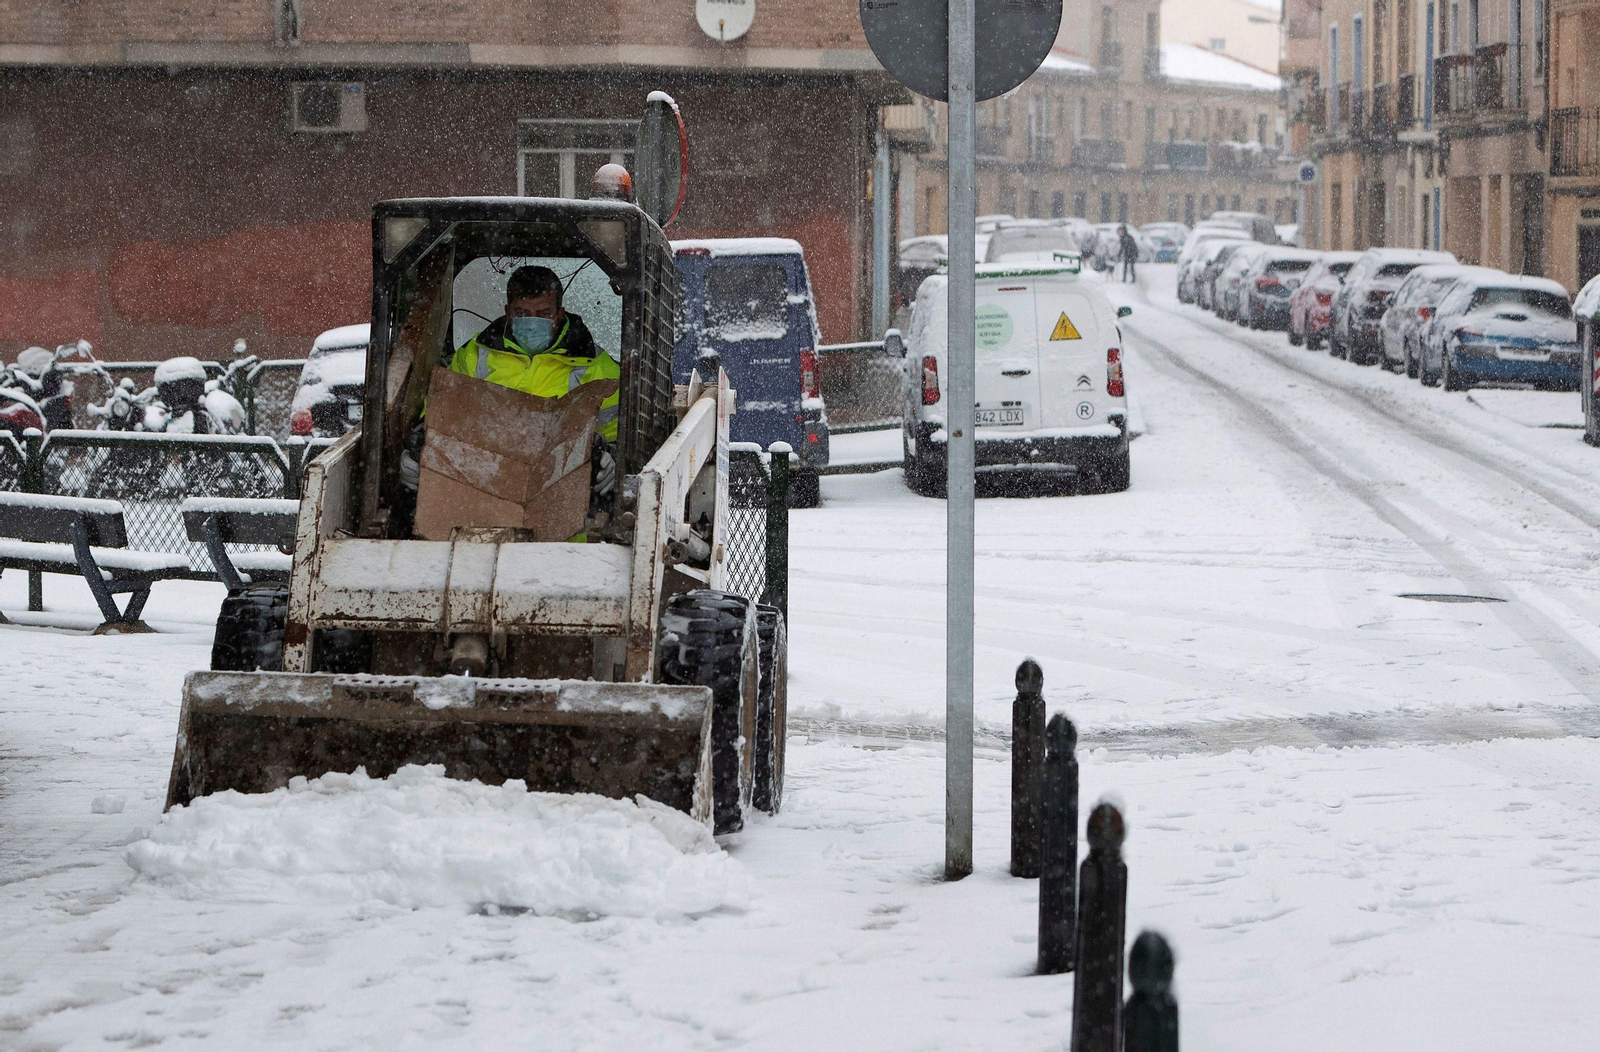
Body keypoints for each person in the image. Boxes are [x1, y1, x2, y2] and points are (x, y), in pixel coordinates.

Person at [447, 265, 620, 494]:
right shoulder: (473, 356)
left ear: (559, 314)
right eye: (522, 313)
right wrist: (421, 451)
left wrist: (615, 460)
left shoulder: (596, 365)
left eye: (544, 314)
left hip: (563, 491)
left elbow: (620, 431)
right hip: (482, 486)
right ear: (508, 312)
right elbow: (443, 414)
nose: (532, 322)